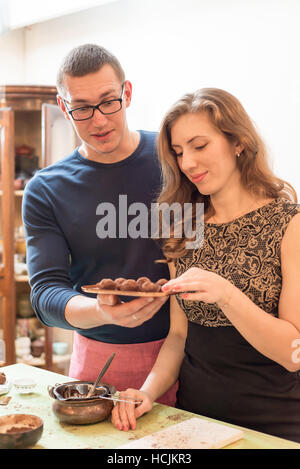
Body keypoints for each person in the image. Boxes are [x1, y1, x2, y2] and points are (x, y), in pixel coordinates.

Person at [111, 88, 300, 442]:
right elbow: (179, 335)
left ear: (239, 142)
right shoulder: (181, 226)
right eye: (179, 153)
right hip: (195, 423)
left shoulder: (289, 224)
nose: (188, 164)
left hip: (274, 425)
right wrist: (147, 392)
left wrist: (227, 295)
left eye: (199, 146)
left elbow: (294, 353)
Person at [22, 43, 178, 406]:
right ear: (64, 108)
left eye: (109, 101)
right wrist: (100, 311)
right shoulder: (46, 189)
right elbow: (45, 294)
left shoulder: (175, 160)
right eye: (81, 108)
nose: (99, 120)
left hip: (187, 354)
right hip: (97, 360)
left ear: (127, 93)